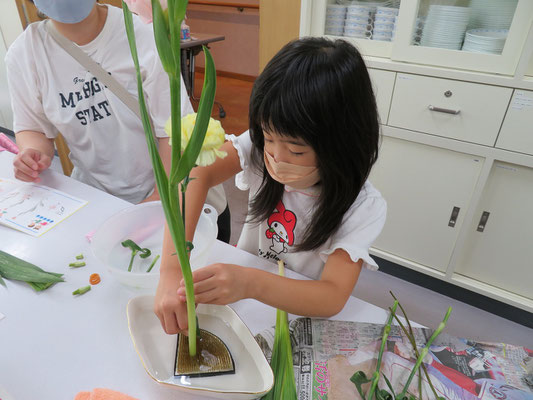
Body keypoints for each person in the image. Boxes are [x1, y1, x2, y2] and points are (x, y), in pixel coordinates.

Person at [154, 37, 387, 334]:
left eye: (297, 150)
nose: (276, 156)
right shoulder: (262, 145)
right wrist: (171, 269)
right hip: (242, 300)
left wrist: (250, 282)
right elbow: (196, 175)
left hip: (298, 313)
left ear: (342, 145)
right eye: (268, 137)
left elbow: (331, 297)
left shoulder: (363, 207)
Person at [5, 0, 230, 241]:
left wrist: (159, 199)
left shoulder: (141, 34)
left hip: (174, 195)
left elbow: (175, 131)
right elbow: (34, 128)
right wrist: (33, 154)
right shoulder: (25, 54)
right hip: (100, 201)